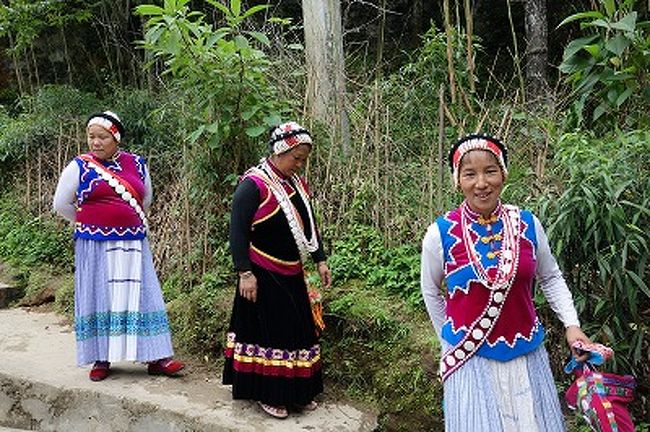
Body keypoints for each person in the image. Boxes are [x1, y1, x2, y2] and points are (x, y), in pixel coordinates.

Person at [420, 134, 591, 431]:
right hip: (470, 358)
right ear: (457, 180)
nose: (481, 183)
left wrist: (571, 324)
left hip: (526, 355)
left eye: (490, 171)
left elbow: (550, 277)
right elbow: (431, 291)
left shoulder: (527, 224)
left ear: (503, 174)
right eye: (469, 173)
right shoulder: (440, 234)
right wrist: (450, 342)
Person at [53, 111, 184, 381]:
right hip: (94, 244)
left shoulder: (136, 164)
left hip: (133, 240)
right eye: (91, 137)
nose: (95, 142)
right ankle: (101, 357)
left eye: (102, 137)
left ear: (116, 139)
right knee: (100, 295)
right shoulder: (80, 166)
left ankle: (156, 356)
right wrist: (89, 220)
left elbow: (145, 199)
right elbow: (61, 204)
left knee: (143, 294)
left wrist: (123, 219)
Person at [223, 121, 332, 419]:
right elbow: (237, 232)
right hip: (262, 273)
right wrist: (244, 273)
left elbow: (309, 225)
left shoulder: (296, 183)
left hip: (292, 270)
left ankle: (298, 393)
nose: (299, 164)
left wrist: (320, 258)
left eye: (303, 159)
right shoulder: (253, 184)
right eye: (296, 158)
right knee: (270, 335)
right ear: (280, 150)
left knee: (298, 332)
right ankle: (268, 393)